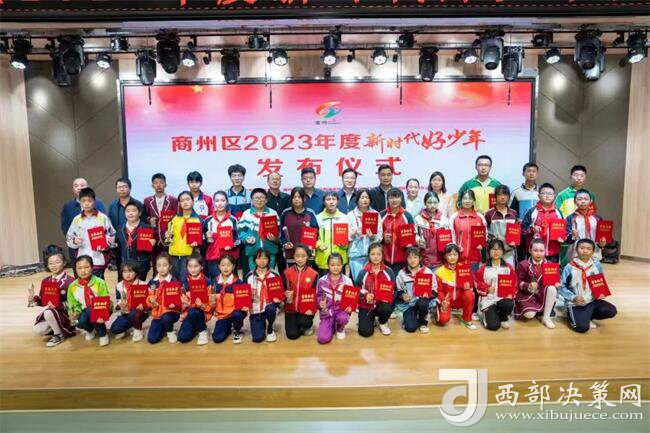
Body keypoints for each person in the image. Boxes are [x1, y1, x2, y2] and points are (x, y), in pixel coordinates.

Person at [558, 238, 617, 333]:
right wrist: (573, 297)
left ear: (593, 252)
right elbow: (561, 287)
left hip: (592, 300)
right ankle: (570, 314)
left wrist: (601, 292)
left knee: (611, 310)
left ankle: (585, 316)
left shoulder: (596, 265)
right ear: (576, 249)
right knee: (582, 328)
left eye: (589, 249)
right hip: (576, 303)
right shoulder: (569, 267)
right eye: (582, 248)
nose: (585, 251)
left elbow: (600, 281)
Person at [66, 187, 116, 279]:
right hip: (82, 259)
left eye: (89, 201)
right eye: (83, 201)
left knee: (98, 284)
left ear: (94, 201)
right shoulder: (77, 219)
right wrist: (75, 241)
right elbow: (69, 237)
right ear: (80, 202)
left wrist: (105, 244)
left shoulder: (103, 218)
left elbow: (112, 234)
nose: (86, 203)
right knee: (84, 284)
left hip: (98, 259)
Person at [29, 251, 76, 347]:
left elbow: (74, 303)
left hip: (66, 313)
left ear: (64, 263)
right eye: (50, 263)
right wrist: (35, 300)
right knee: (37, 330)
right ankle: (57, 327)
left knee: (48, 312)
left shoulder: (71, 281)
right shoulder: (46, 281)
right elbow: (43, 301)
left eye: (57, 262)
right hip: (52, 312)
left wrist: (58, 305)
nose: (54, 266)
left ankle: (59, 334)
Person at [67, 255, 111, 346]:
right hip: (83, 309)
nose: (83, 271)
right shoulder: (73, 286)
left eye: (86, 267)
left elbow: (104, 299)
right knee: (80, 322)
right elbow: (72, 302)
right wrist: (75, 312)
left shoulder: (100, 282)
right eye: (79, 268)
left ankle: (103, 334)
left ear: (92, 267)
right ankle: (90, 330)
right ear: (75, 269)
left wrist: (101, 314)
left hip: (99, 308)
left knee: (91, 312)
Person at [514, 239, 559, 329]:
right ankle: (538, 312)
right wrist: (528, 285)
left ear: (545, 251)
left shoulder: (550, 265)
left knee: (552, 288)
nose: (538, 253)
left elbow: (555, 280)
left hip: (542, 294)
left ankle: (546, 317)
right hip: (527, 295)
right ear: (530, 250)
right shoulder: (523, 264)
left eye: (541, 251)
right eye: (535, 250)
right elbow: (517, 281)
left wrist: (557, 284)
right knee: (529, 315)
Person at [474, 239, 516, 331]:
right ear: (489, 251)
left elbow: (514, 284)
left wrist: (510, 294)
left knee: (508, 303)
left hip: (502, 299)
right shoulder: (483, 268)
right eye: (493, 249)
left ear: (503, 252)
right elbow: (477, 283)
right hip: (488, 300)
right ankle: (487, 315)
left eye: (499, 249)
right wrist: (487, 289)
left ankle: (503, 317)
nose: (496, 252)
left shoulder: (508, 267)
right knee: (493, 326)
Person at [108, 178, 145, 281]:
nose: (122, 189)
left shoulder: (139, 204)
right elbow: (110, 225)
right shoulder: (112, 206)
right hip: (119, 245)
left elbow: (144, 224)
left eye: (125, 187)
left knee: (138, 275)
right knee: (121, 274)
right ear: (116, 189)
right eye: (119, 187)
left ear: (130, 188)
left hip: (136, 246)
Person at [60, 178, 106, 261]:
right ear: (73, 189)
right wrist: (73, 239)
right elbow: (65, 226)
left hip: (96, 244)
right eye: (76, 186)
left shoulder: (98, 203)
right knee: (78, 267)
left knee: (97, 268)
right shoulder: (67, 206)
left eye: (82, 185)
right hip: (76, 245)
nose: (79, 188)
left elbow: (103, 223)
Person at [356, 243, 396, 337]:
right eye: (373, 254)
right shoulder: (363, 272)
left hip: (382, 304)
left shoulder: (388, 271)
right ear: (369, 256)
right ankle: (371, 319)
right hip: (366, 305)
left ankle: (383, 322)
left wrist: (389, 297)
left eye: (378, 254)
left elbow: (395, 289)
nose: (376, 257)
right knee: (365, 332)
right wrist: (365, 295)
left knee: (386, 307)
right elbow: (357, 288)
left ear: (382, 256)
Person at [244, 249, 283, 343]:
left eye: (265, 258)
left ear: (269, 260)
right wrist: (249, 296)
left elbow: (280, 294)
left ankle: (270, 328)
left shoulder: (274, 275)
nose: (262, 261)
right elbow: (244, 297)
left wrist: (279, 300)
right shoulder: (249, 276)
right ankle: (261, 323)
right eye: (259, 258)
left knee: (270, 308)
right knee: (257, 338)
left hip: (270, 306)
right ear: (254, 260)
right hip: (256, 308)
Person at [435, 244, 477, 330]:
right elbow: (439, 291)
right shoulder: (440, 271)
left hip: (459, 300)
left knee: (469, 294)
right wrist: (443, 301)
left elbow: (471, 286)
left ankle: (467, 319)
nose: (452, 257)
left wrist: (468, 287)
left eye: (455, 254)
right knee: (443, 320)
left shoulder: (464, 269)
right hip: (447, 301)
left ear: (459, 255)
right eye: (449, 255)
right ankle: (438, 311)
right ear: (445, 256)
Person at [395, 247, 437, 333]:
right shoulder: (401, 273)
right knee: (410, 328)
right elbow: (398, 291)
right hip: (409, 304)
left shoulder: (427, 272)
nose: (412, 260)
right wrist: (402, 295)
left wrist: (428, 294)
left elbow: (434, 291)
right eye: (410, 257)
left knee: (423, 302)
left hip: (422, 302)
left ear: (420, 258)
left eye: (415, 257)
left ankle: (423, 322)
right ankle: (411, 318)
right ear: (406, 259)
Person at [238, 188, 280, 271]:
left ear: (266, 200)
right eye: (256, 198)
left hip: (270, 251)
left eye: (262, 198)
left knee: (269, 275)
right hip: (253, 252)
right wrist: (246, 238)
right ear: (251, 200)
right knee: (254, 276)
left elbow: (279, 233)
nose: (259, 200)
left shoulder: (273, 213)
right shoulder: (246, 214)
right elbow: (240, 231)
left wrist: (275, 238)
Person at [316, 253, 355, 344]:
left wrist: (349, 308)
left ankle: (340, 327)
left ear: (342, 265)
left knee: (343, 318)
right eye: (332, 265)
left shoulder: (347, 281)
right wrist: (320, 303)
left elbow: (351, 299)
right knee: (323, 339)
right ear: (328, 266)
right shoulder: (322, 280)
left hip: (341, 310)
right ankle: (331, 324)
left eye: (338, 265)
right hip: (327, 312)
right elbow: (318, 295)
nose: (335, 267)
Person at [163, 191, 202, 282]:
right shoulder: (174, 218)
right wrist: (166, 236)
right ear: (179, 203)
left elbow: (202, 237)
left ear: (193, 201)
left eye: (187, 199)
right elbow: (167, 234)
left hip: (189, 255)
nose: (185, 202)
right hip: (174, 254)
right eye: (182, 200)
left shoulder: (198, 219)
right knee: (174, 280)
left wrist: (197, 243)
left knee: (185, 280)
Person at [283, 245, 319, 339]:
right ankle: (297, 325)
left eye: (303, 256)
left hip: (306, 309)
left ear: (307, 256)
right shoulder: (287, 273)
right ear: (293, 256)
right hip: (291, 308)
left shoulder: (313, 274)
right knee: (292, 335)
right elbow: (281, 292)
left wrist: (311, 309)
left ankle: (306, 325)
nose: (300, 259)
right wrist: (286, 298)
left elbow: (315, 295)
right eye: (297, 256)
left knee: (305, 322)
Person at [143, 173, 178, 269]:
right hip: (153, 238)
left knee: (170, 264)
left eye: (161, 182)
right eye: (156, 183)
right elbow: (143, 217)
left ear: (165, 184)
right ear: (152, 185)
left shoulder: (173, 200)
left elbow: (177, 217)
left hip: (168, 237)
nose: (158, 185)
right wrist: (149, 220)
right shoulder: (147, 201)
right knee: (155, 265)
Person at [346, 188, 383, 281]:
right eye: (362, 197)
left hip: (372, 255)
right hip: (355, 256)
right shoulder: (350, 215)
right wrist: (354, 233)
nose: (365, 200)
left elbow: (380, 235)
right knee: (358, 282)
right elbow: (345, 236)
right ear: (357, 199)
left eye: (367, 197)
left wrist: (373, 237)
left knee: (371, 282)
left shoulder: (375, 214)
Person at [522, 183, 564, 262]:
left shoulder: (558, 213)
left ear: (554, 196)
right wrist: (531, 229)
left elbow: (563, 231)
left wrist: (562, 237)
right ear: (538, 196)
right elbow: (523, 229)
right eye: (544, 193)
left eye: (550, 194)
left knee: (551, 270)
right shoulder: (532, 211)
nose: (547, 196)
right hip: (535, 252)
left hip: (553, 252)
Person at [279, 187, 319, 270]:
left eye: (299, 197)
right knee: (291, 277)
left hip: (307, 255)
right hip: (290, 254)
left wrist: (311, 245)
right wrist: (285, 244)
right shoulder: (285, 213)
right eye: (294, 197)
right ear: (291, 199)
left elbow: (316, 233)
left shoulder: (310, 213)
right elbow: (280, 233)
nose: (296, 199)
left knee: (307, 277)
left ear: (304, 198)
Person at [146, 253, 181, 344]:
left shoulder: (174, 281)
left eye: (165, 265)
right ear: (156, 267)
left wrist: (175, 304)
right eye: (159, 266)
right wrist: (151, 301)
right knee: (152, 339)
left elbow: (179, 300)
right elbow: (148, 298)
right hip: (157, 313)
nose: (161, 268)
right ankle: (164, 328)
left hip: (171, 312)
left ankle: (170, 331)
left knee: (166, 318)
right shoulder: (152, 282)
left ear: (170, 267)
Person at [203, 191, 239, 279]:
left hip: (229, 258)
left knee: (230, 282)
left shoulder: (232, 220)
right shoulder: (208, 220)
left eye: (222, 200)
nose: (220, 203)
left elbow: (238, 239)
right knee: (215, 283)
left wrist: (231, 244)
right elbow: (201, 238)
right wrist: (206, 237)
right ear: (213, 202)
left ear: (227, 202)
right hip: (212, 258)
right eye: (217, 200)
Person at [115, 201, 155, 281]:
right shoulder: (120, 228)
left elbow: (151, 249)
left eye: (133, 211)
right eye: (128, 211)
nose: (130, 213)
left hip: (140, 265)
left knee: (138, 287)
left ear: (139, 213)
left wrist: (153, 244)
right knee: (124, 286)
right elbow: (117, 246)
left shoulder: (146, 228)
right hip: (124, 264)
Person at [178, 255, 213, 345]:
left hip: (201, 312)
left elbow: (212, 305)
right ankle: (197, 326)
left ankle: (202, 331)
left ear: (201, 267)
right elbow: (181, 300)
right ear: (186, 267)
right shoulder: (183, 281)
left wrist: (201, 305)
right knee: (182, 338)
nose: (193, 269)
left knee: (194, 311)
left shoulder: (207, 282)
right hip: (188, 313)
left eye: (196, 266)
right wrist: (184, 304)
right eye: (190, 266)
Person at [110, 260, 149, 342]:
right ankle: (131, 325)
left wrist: (144, 305)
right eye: (124, 272)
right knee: (114, 329)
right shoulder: (119, 285)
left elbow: (148, 300)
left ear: (136, 272)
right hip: (126, 312)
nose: (127, 274)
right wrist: (120, 304)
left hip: (140, 312)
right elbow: (118, 298)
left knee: (134, 314)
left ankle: (138, 329)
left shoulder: (143, 284)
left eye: (130, 271)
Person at [211, 254, 247, 344]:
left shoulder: (238, 282)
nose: (225, 268)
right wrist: (213, 306)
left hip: (235, 312)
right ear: (219, 266)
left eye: (228, 265)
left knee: (237, 315)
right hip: (222, 315)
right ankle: (227, 326)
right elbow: (211, 297)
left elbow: (244, 302)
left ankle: (237, 330)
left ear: (233, 266)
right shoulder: (214, 282)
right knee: (217, 338)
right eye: (223, 265)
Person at [565, 189, 607, 262]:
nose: (583, 201)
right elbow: (566, 239)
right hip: (575, 256)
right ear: (574, 201)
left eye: (586, 199)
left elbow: (601, 238)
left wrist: (602, 244)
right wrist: (572, 236)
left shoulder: (598, 219)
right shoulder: (570, 218)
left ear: (591, 201)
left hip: (594, 255)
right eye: (579, 199)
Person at [380, 188, 415, 275]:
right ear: (387, 199)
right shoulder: (381, 215)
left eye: (397, 197)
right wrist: (382, 237)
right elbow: (375, 235)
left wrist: (409, 241)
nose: (394, 200)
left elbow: (413, 238)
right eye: (391, 197)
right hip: (384, 261)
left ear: (401, 199)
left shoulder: (407, 216)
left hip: (403, 261)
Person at [448, 190, 487, 269]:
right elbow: (451, 236)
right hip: (457, 260)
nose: (467, 201)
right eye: (465, 198)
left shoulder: (480, 217)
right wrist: (455, 247)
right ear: (461, 200)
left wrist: (482, 244)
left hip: (475, 260)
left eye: (470, 198)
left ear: (473, 201)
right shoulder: (454, 217)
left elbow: (485, 235)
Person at [315, 191, 349, 276]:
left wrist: (344, 244)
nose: (331, 202)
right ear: (324, 202)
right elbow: (312, 238)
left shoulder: (344, 218)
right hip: (323, 258)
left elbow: (349, 238)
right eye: (328, 199)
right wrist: (319, 245)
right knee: (323, 284)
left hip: (339, 261)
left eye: (333, 199)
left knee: (340, 284)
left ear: (338, 201)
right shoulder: (317, 218)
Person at [484, 185, 519, 266]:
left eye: (505, 194)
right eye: (500, 195)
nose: (503, 197)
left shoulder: (514, 213)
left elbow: (517, 232)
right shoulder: (489, 214)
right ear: (495, 197)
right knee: (494, 273)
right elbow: (485, 232)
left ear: (509, 197)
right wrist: (494, 239)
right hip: (494, 252)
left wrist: (515, 242)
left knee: (508, 273)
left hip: (509, 252)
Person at [414, 191, 448, 270]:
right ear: (425, 203)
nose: (432, 205)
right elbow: (414, 235)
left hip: (440, 261)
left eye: (435, 202)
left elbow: (448, 239)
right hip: (423, 261)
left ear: (438, 203)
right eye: (429, 202)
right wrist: (418, 240)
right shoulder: (418, 219)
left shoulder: (443, 219)